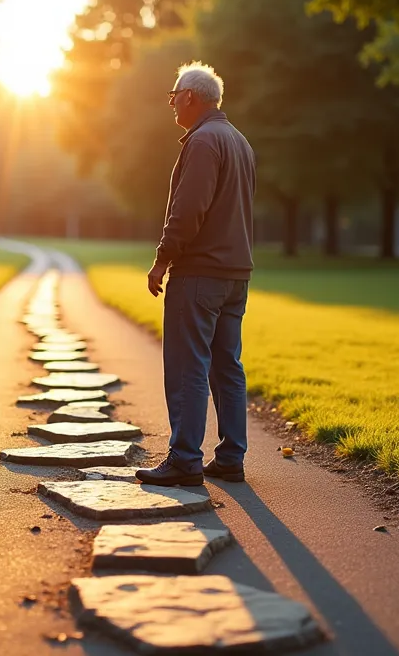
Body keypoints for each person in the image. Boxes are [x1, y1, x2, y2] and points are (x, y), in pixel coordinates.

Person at [135, 62, 257, 487]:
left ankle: (185, 458)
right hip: (235, 274)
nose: (171, 103)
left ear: (190, 96)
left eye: (173, 95)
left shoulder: (204, 142)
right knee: (227, 365)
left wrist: (162, 259)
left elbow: (188, 212)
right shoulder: (238, 141)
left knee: (188, 364)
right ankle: (230, 457)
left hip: (200, 273)